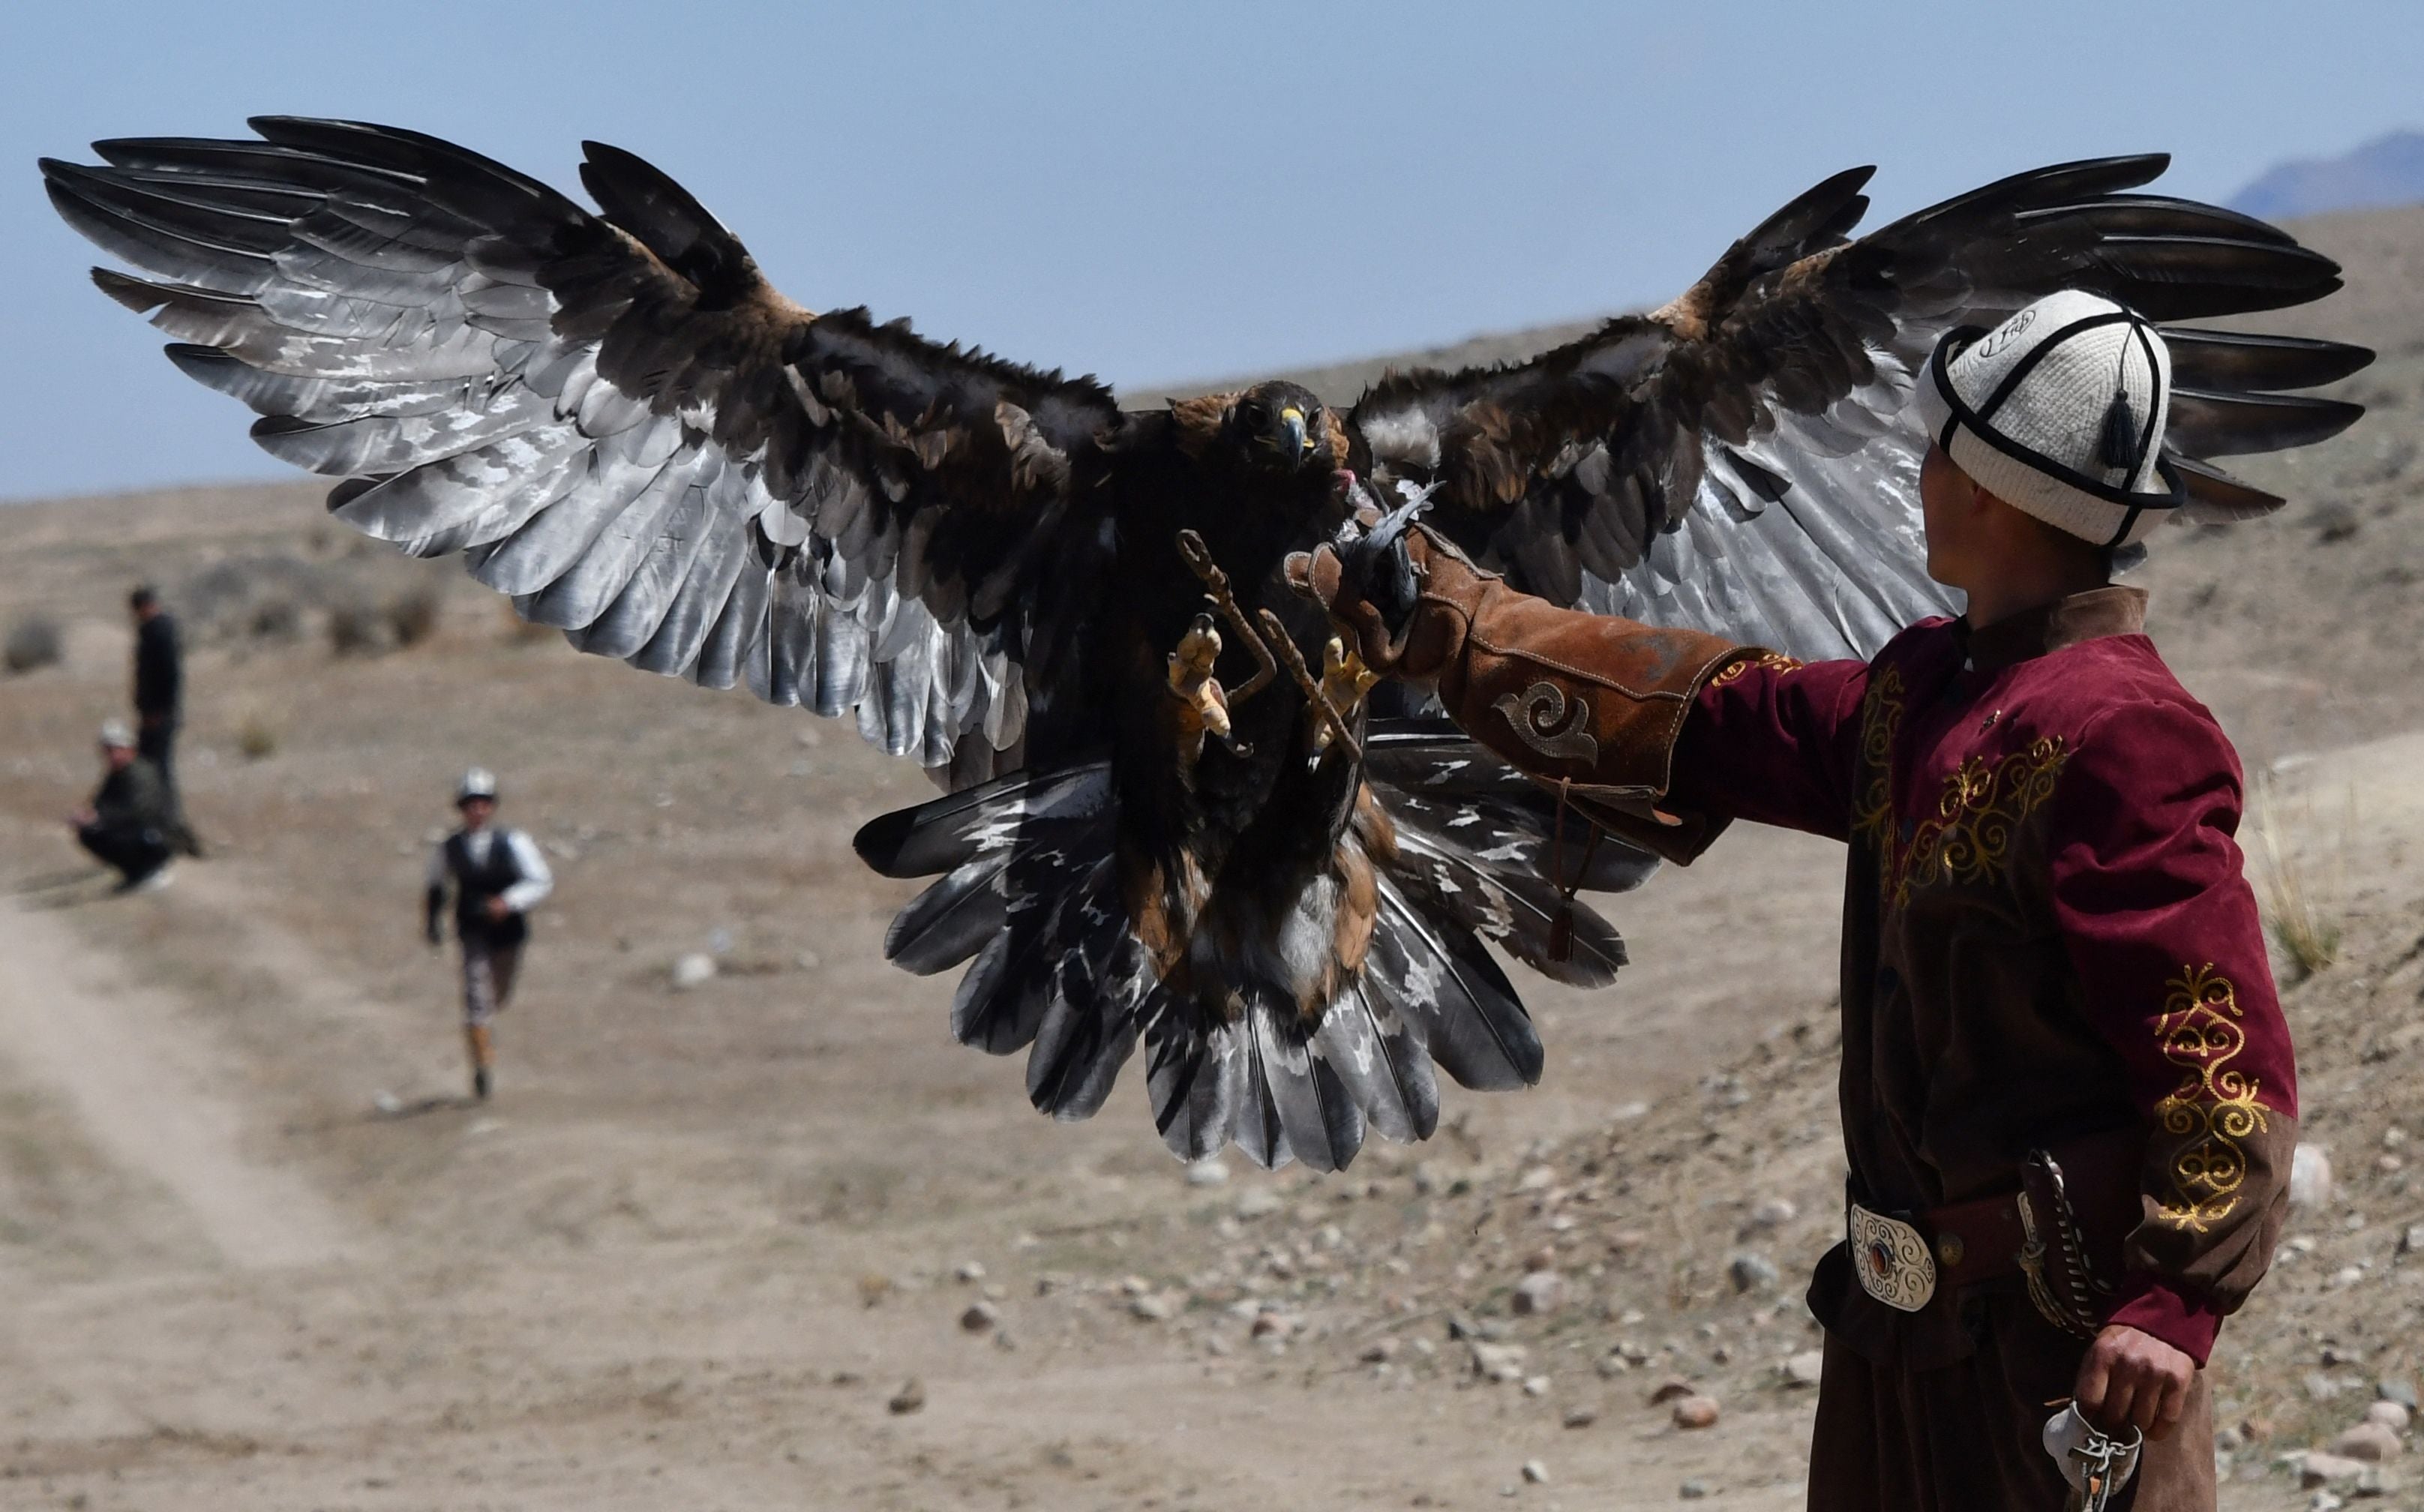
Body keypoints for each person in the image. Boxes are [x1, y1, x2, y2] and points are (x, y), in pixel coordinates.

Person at [1298, 291, 2294, 1511]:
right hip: (1892, 1348)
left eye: (1935, 452)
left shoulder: (2124, 737)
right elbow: (1702, 710)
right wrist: (1443, 614)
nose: (1919, 474)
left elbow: (2220, 1066)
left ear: (1978, 485)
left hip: (2056, 1370)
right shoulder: (1918, 694)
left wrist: (2171, 1304)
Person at [424, 768, 553, 1100]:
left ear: (491, 806)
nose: (476, 810)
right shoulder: (449, 848)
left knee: (498, 994)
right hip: (472, 930)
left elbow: (540, 880)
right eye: (470, 804)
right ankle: (482, 1064)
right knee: (475, 996)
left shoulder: (512, 842)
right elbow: (436, 884)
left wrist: (508, 903)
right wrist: (433, 922)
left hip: (509, 933)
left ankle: (483, 1035)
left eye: (482, 803)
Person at [68, 718, 177, 891]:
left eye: (114, 749)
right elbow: (101, 802)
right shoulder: (117, 774)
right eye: (107, 751)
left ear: (128, 748)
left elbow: (140, 810)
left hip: (156, 836)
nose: (111, 755)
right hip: (132, 827)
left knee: (116, 834)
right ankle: (134, 873)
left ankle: (149, 870)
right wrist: (89, 816)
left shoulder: (141, 773)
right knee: (90, 832)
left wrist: (101, 818)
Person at [129, 585, 182, 790]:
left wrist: (159, 710)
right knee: (149, 763)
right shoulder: (150, 630)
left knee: (158, 766)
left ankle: (167, 816)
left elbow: (170, 675)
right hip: (152, 712)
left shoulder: (160, 631)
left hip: (160, 714)